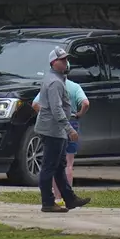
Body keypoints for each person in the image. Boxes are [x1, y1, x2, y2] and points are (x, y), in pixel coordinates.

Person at [35, 46, 91, 213]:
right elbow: (56, 109)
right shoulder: (54, 82)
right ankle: (48, 202)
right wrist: (69, 129)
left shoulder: (57, 79)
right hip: (53, 130)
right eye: (62, 60)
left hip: (55, 129)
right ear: (53, 63)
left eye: (66, 59)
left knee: (59, 166)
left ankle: (69, 198)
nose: (66, 62)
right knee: (49, 166)